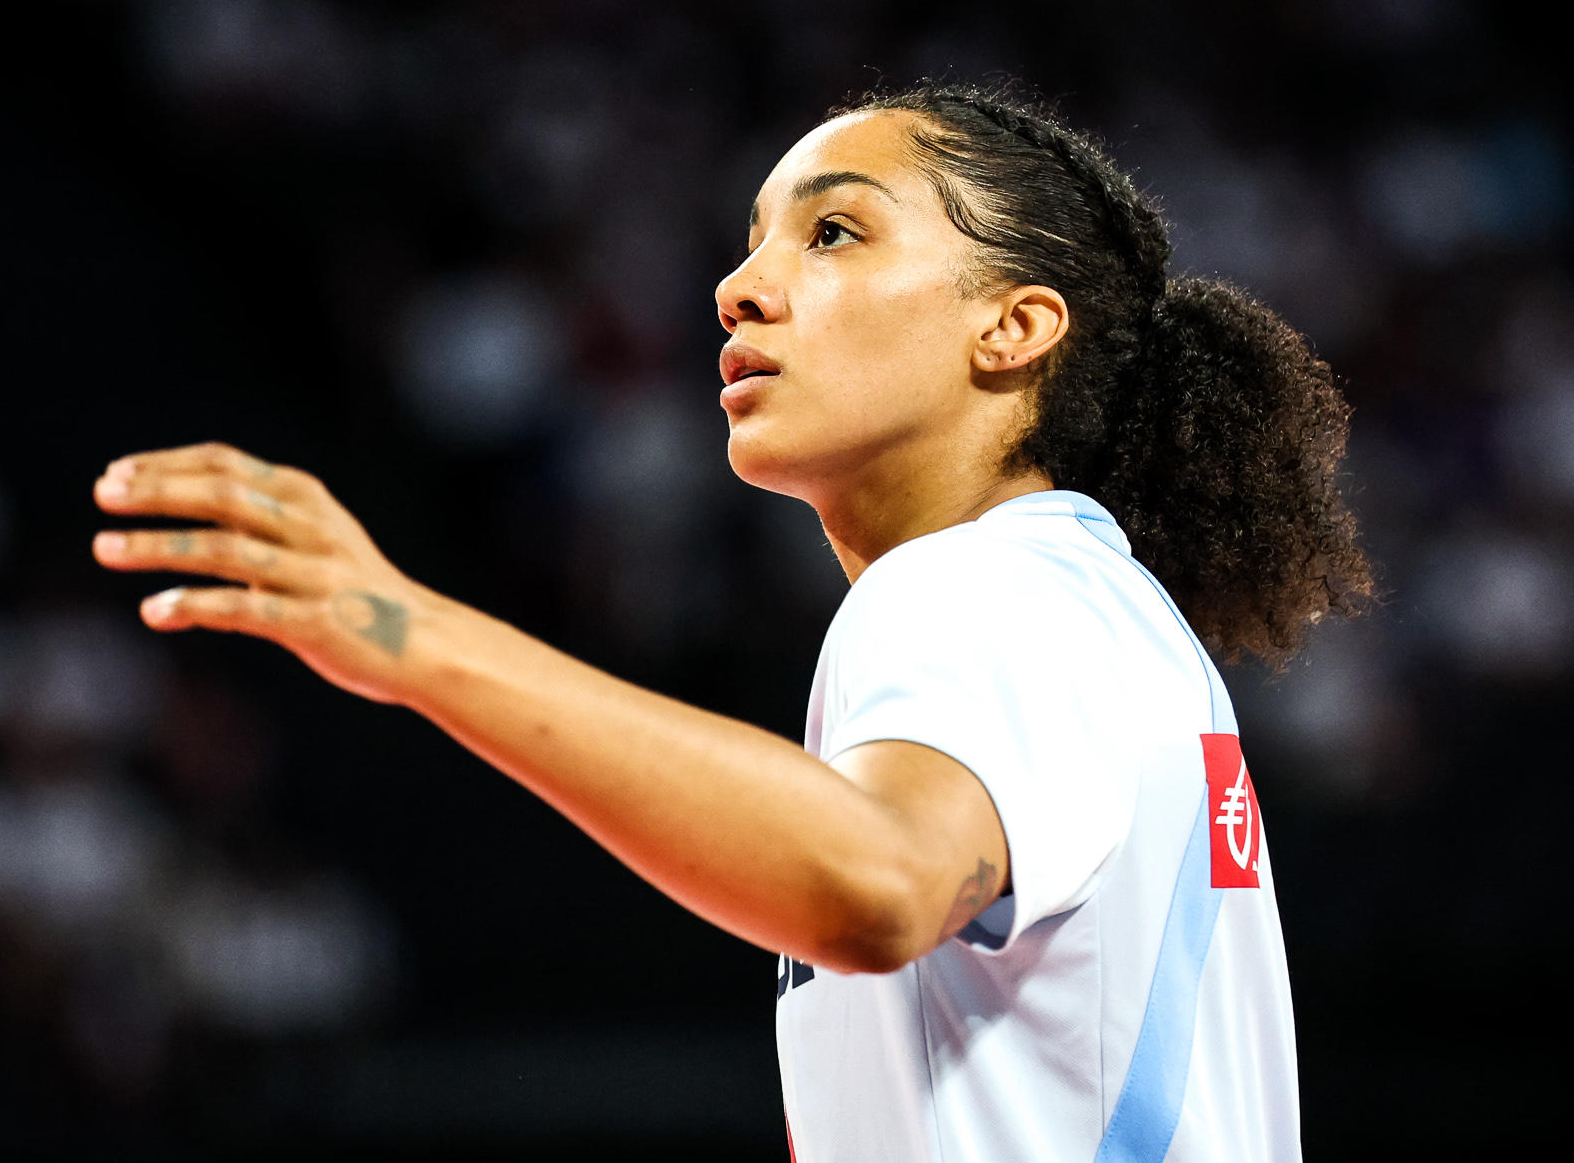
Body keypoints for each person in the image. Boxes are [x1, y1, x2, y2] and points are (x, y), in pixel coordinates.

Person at [91, 83, 1370, 1161]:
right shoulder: (1094, 609)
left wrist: (413, 636)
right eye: (752, 238)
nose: (738, 288)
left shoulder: (985, 585)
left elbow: (873, 881)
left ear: (1013, 326)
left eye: (832, 235)